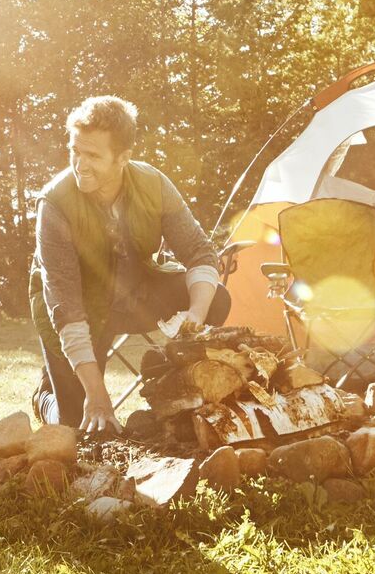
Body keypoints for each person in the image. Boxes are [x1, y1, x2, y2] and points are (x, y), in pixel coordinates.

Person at [29, 95, 230, 434]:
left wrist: (195, 315)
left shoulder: (153, 183)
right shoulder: (55, 203)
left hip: (135, 292)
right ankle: (44, 394)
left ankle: (177, 394)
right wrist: (97, 395)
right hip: (78, 306)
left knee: (217, 298)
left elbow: (199, 251)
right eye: (75, 150)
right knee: (75, 422)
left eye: (92, 155)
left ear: (123, 157)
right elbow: (65, 305)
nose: (79, 164)